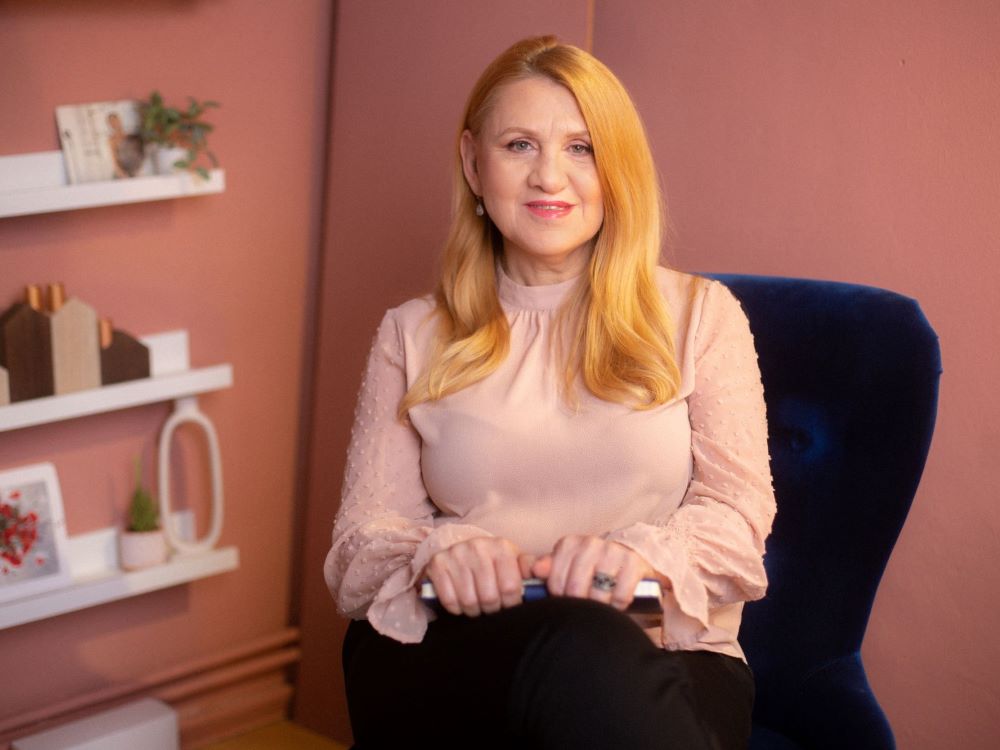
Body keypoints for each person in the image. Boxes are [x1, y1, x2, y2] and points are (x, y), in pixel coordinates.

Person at [325, 35, 775, 750]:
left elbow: (738, 520)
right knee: (556, 652)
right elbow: (358, 548)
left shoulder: (701, 316)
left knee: (587, 649)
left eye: (581, 148)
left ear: (616, 167)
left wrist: (643, 559)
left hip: (662, 651)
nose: (549, 177)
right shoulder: (409, 333)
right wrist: (439, 553)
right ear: (473, 163)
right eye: (519, 146)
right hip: (459, 648)